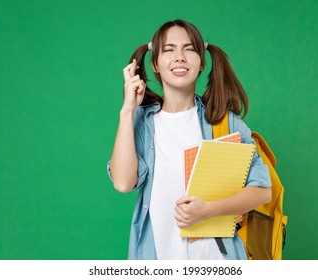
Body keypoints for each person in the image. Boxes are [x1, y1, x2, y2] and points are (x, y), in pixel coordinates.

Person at [107, 19, 272, 260]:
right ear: (155, 63)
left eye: (189, 49)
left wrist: (208, 211)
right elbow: (123, 183)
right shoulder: (143, 123)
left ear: (202, 61)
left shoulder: (223, 122)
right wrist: (128, 110)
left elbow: (262, 192)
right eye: (169, 49)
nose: (180, 57)